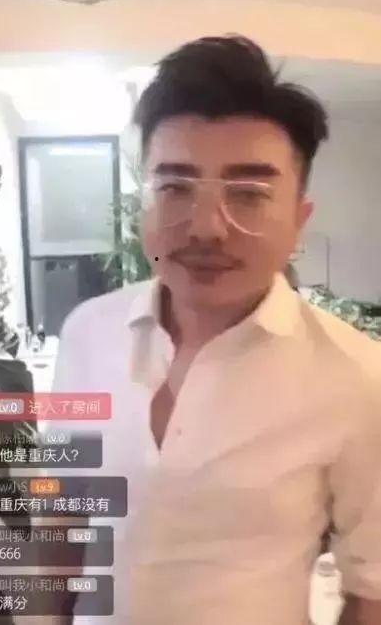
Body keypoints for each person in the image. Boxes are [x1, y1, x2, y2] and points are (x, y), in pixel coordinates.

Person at [52, 35, 381, 625]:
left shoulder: (356, 375)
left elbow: (371, 590)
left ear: (298, 218)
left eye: (249, 194)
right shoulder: (87, 333)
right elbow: (61, 520)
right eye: (175, 188)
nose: (206, 227)